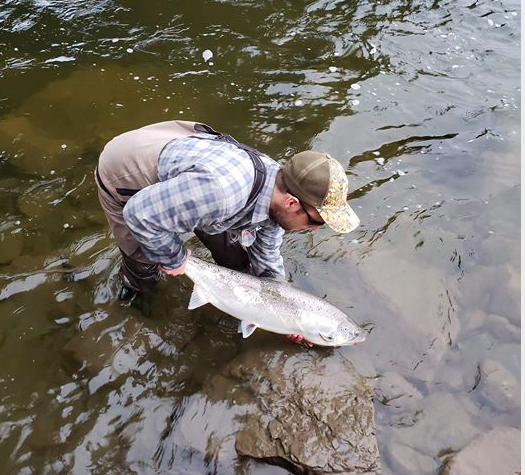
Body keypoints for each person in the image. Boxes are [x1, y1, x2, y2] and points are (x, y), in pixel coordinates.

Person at [95, 120, 359, 344]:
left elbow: (266, 258)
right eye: (316, 221)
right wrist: (175, 258)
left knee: (241, 258)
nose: (314, 229)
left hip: (194, 171)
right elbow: (139, 214)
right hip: (126, 171)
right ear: (291, 202)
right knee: (146, 258)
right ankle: (134, 300)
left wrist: (286, 315)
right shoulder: (223, 192)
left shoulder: (277, 193)